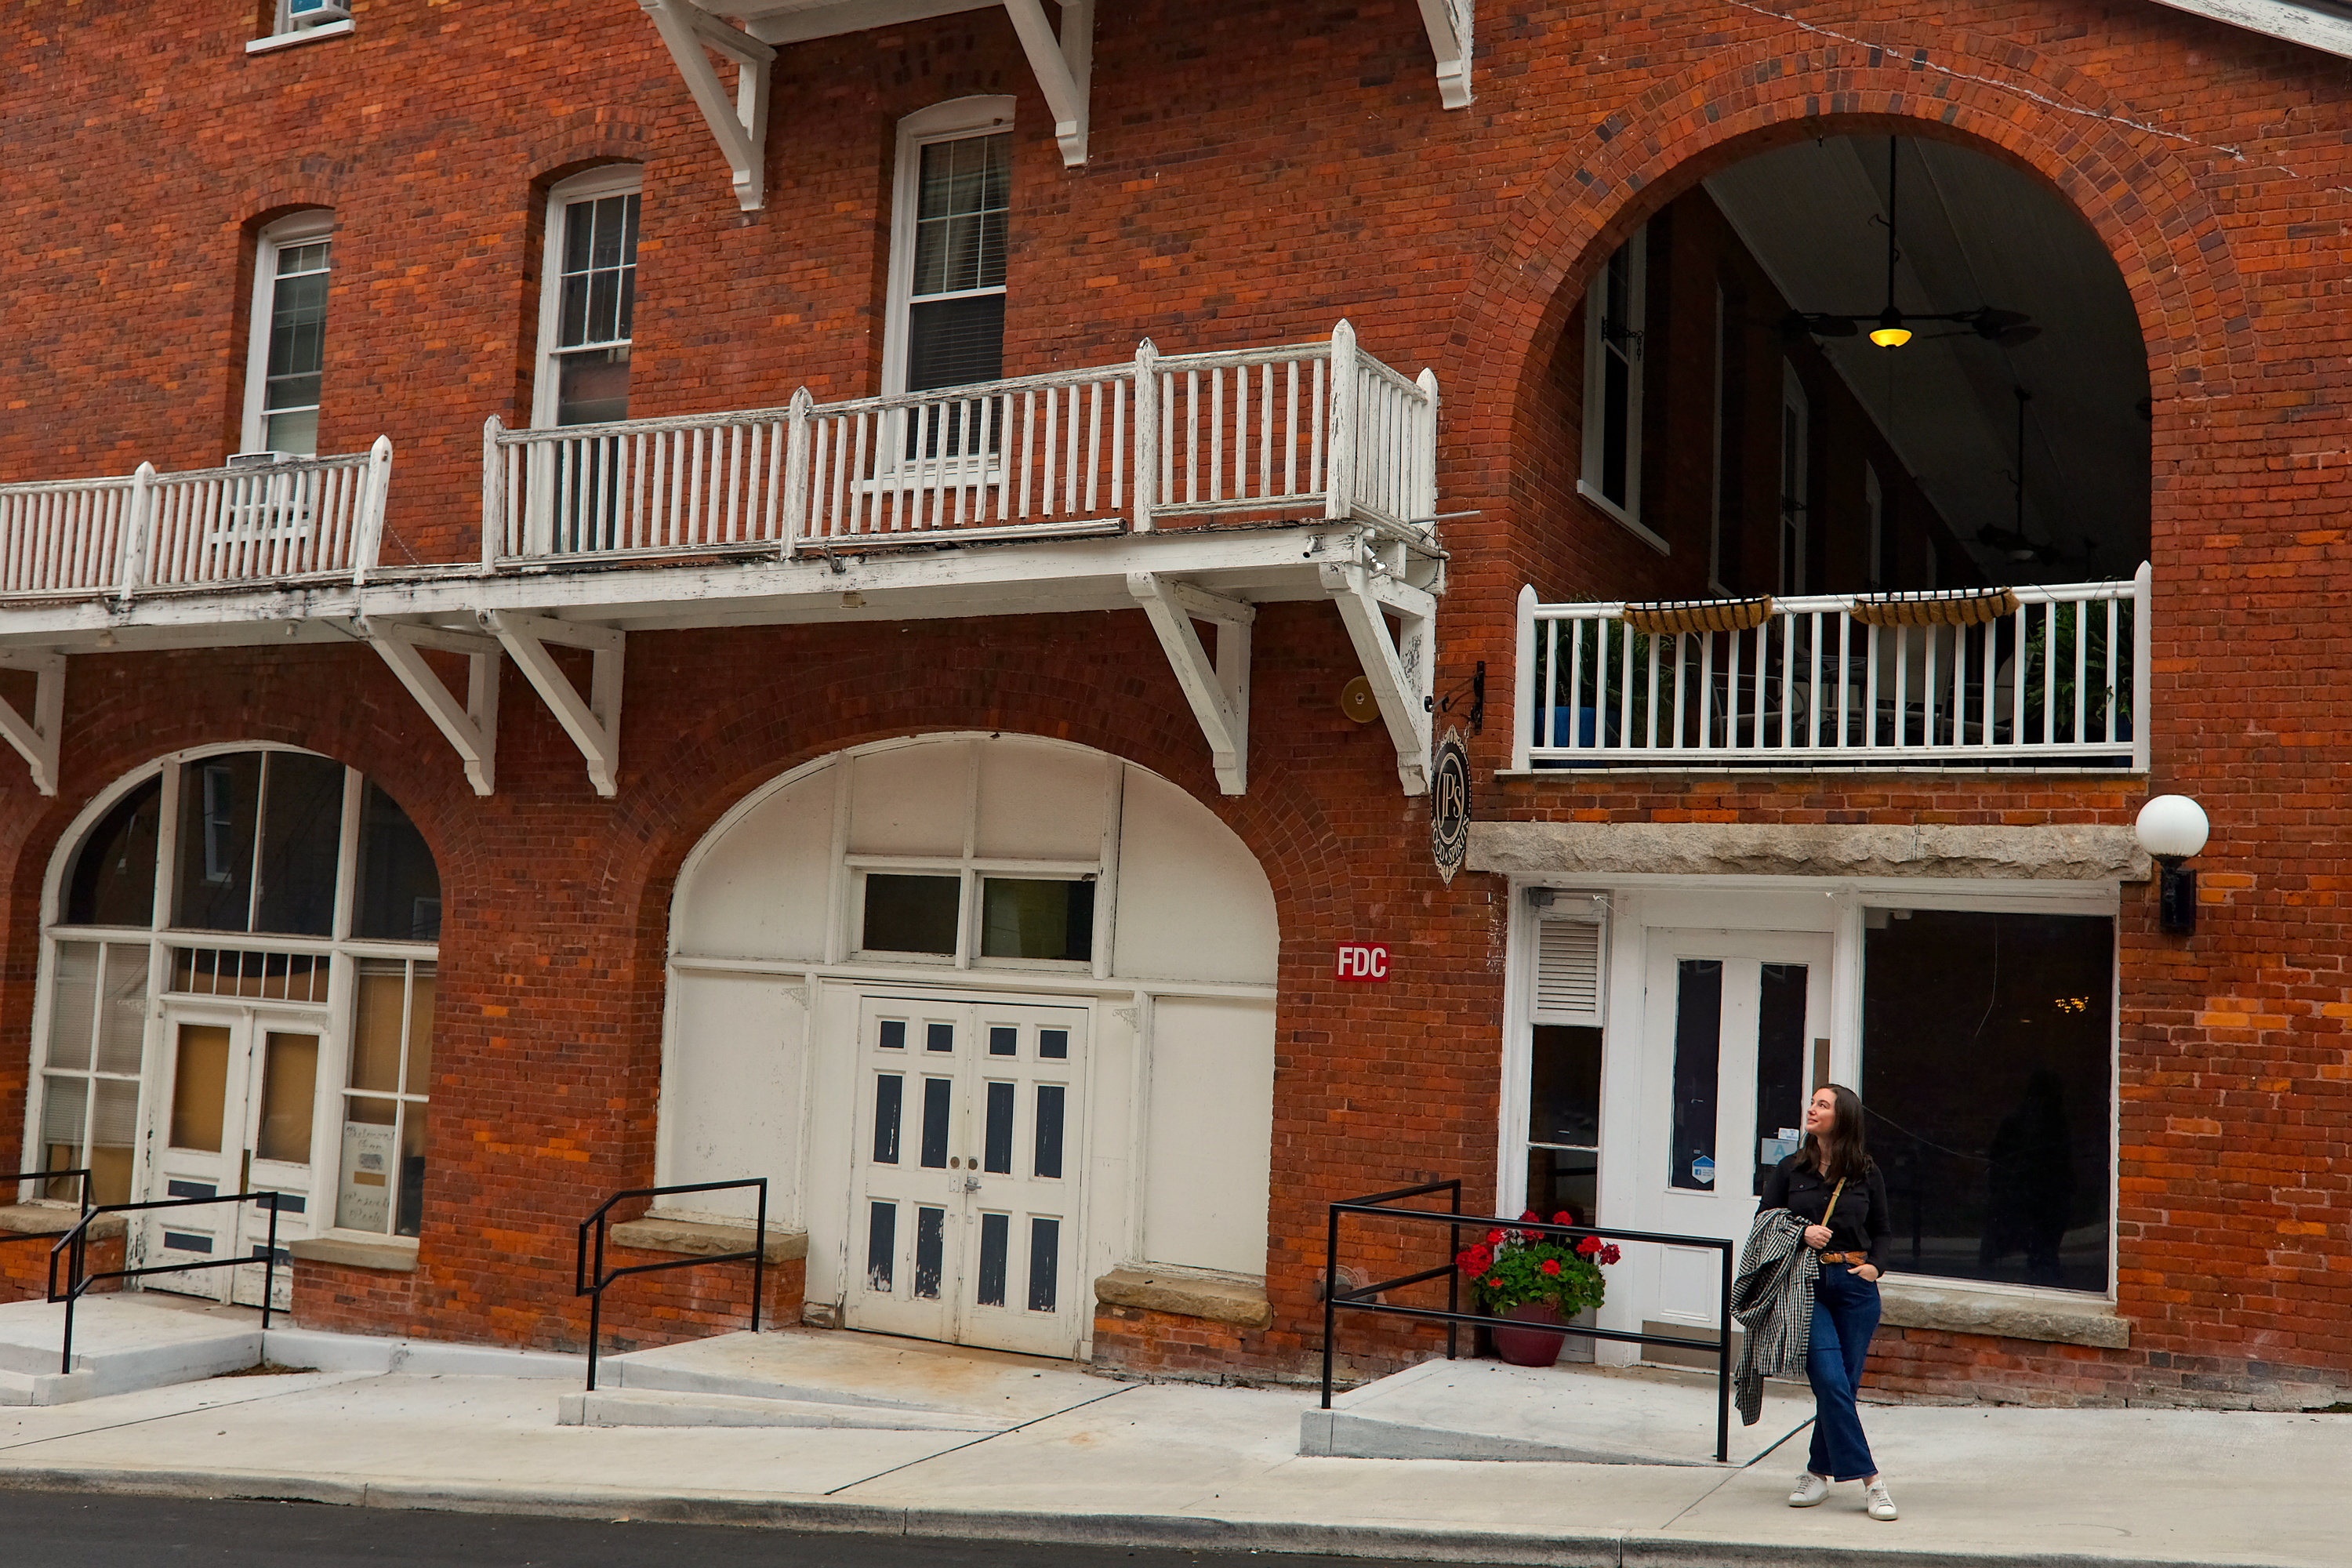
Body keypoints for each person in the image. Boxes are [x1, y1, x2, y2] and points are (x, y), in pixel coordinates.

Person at [1757, 1083, 1899, 1523]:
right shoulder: (1790, 1169)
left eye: (1823, 1105)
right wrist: (1800, 1233)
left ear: (1844, 1117)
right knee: (1831, 1381)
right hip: (1805, 1287)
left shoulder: (1865, 1172)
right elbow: (1763, 1222)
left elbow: (1884, 1231)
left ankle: (1817, 1471)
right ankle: (1873, 1482)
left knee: (1842, 1386)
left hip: (1855, 1287)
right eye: (1813, 1103)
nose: (1812, 1109)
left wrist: (1875, 1266)